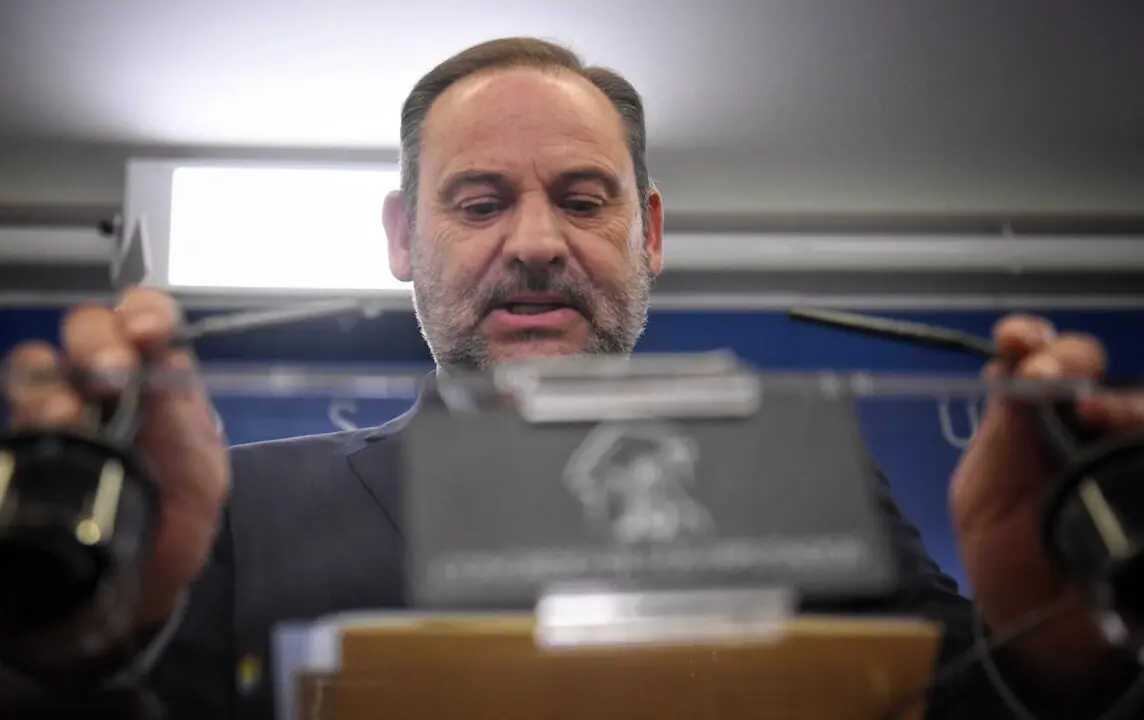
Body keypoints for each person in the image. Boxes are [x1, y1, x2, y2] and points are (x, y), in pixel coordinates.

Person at [2, 36, 1143, 720]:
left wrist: (1045, 640)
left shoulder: (808, 484)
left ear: (647, 230)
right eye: (481, 201)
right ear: (403, 239)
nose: (538, 242)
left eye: (584, 199)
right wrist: (83, 635)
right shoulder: (242, 513)